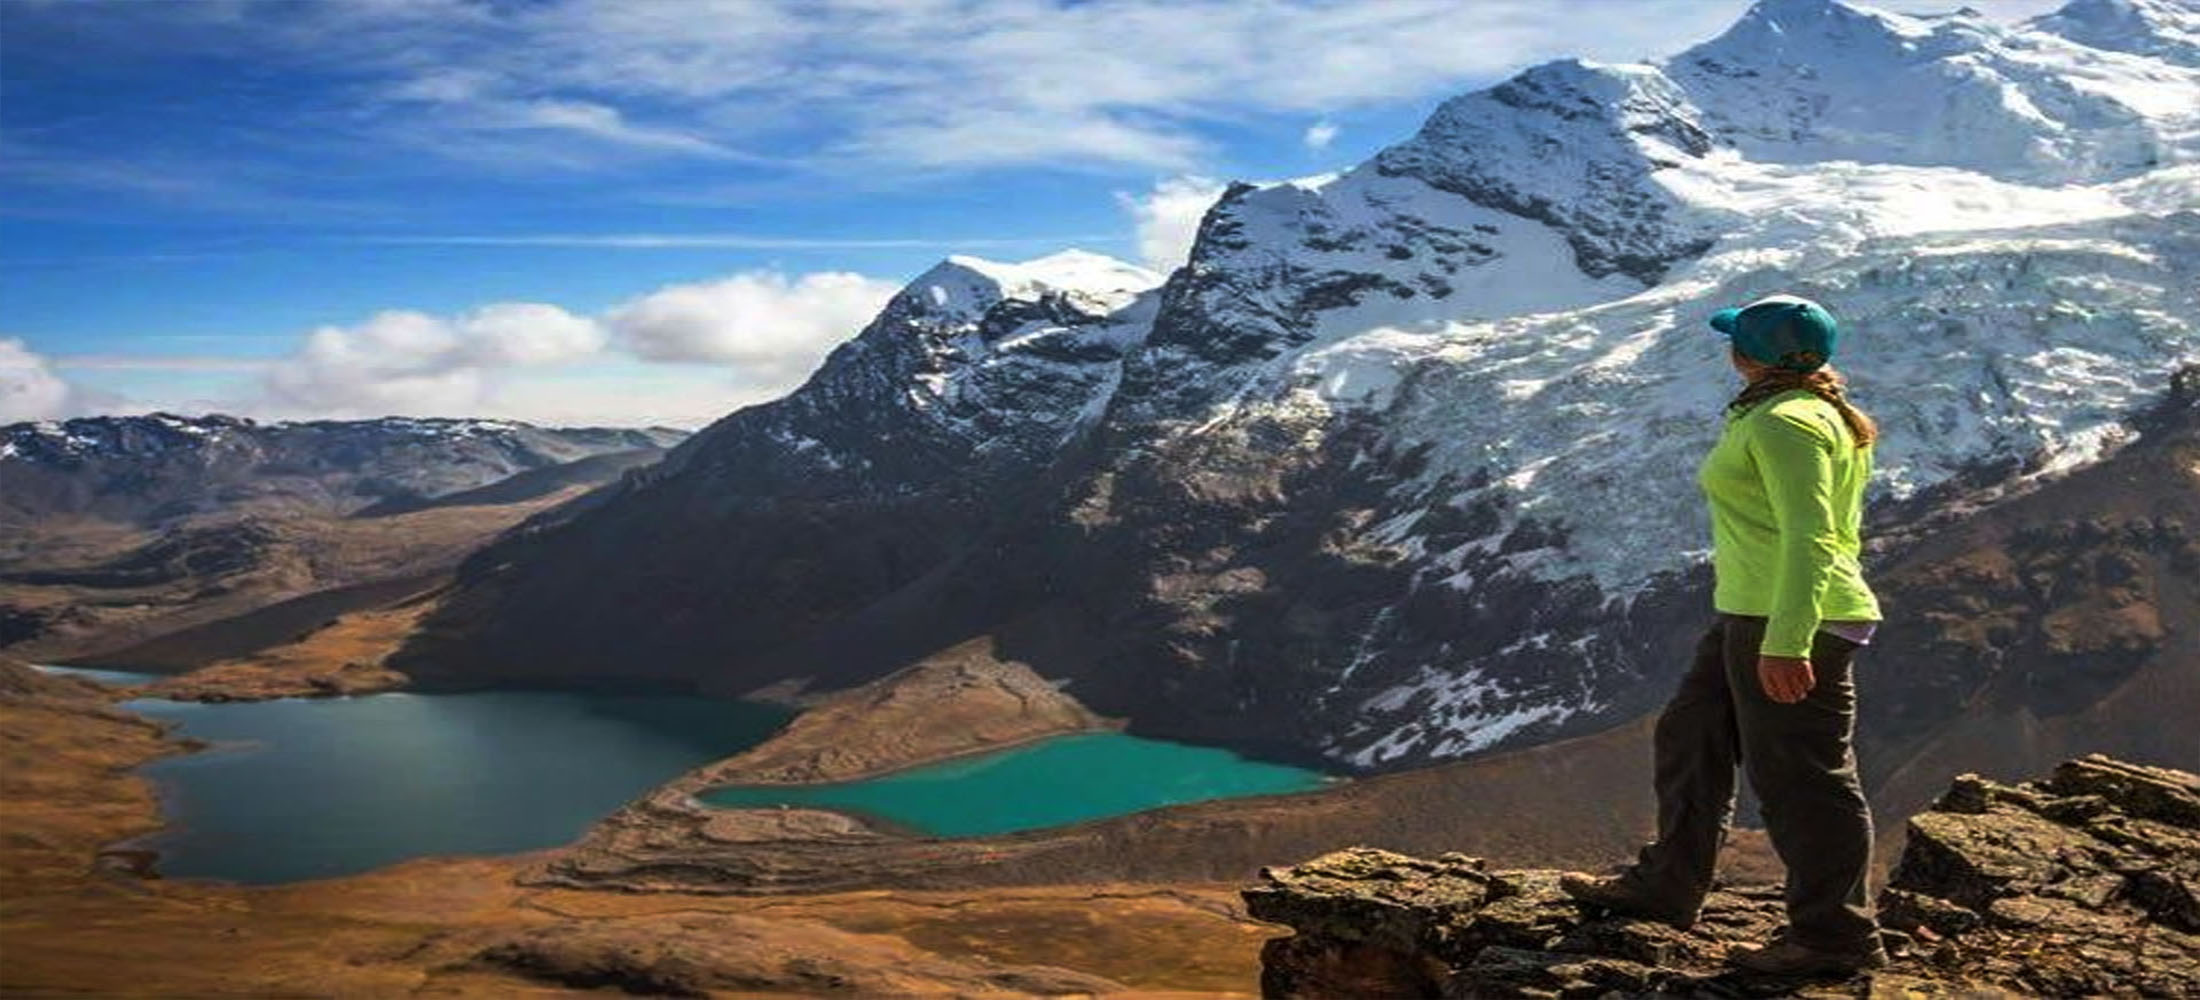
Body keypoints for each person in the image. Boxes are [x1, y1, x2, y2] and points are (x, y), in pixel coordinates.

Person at [1562, 293, 1887, 977]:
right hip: (1755, 610)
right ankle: (1668, 884)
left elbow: (1812, 535)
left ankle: (1834, 940)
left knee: (1803, 778)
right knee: (1691, 730)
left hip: (1793, 616)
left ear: (1750, 355)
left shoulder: (1788, 425)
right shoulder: (1802, 414)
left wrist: (1789, 639)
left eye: (1734, 339)